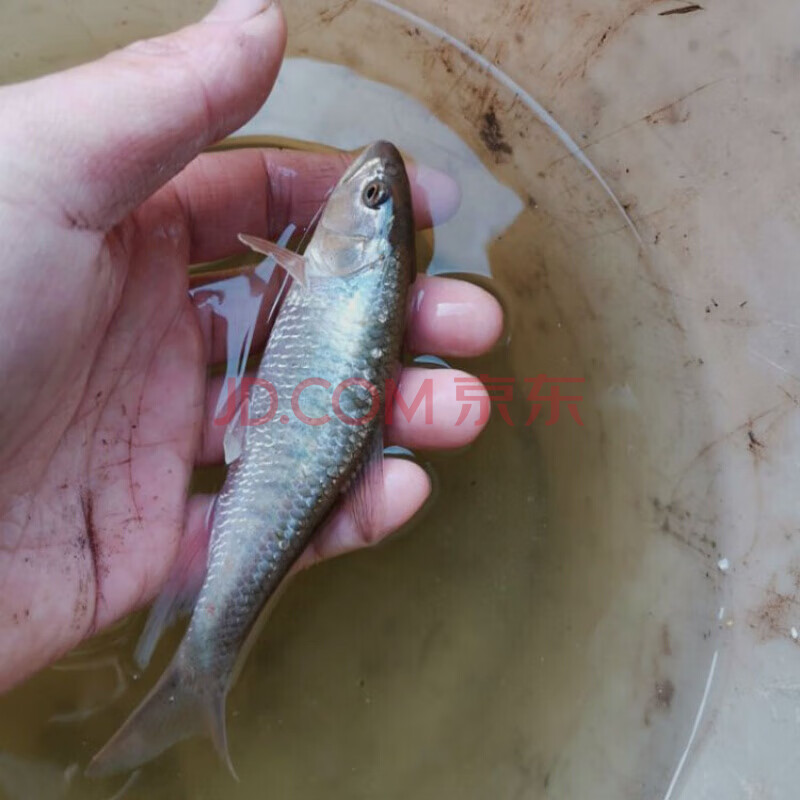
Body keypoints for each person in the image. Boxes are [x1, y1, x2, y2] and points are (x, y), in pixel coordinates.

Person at [0, 0, 502, 692]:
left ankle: (202, 660)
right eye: (381, 195)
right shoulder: (332, 264)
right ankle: (201, 664)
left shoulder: (321, 263)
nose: (370, 181)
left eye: (372, 195)